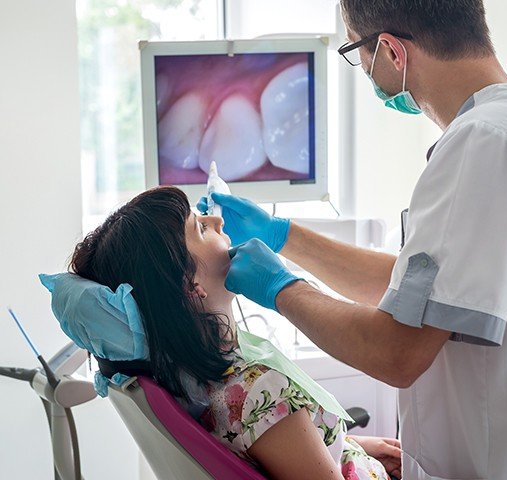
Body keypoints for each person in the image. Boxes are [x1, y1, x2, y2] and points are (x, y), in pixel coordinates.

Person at [197, 1, 507, 479]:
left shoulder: (482, 142)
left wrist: (280, 288)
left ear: (392, 52)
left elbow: (399, 352)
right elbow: (423, 296)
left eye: (359, 53)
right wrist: (283, 236)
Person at [68, 186, 402, 480]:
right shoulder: (259, 389)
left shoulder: (196, 384)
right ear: (190, 285)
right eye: (200, 227)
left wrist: (350, 448)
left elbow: (269, 449)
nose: (218, 222)